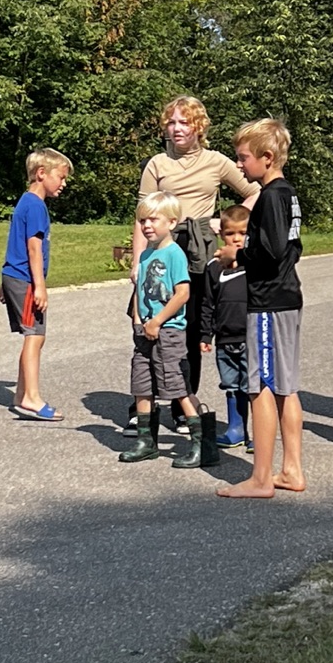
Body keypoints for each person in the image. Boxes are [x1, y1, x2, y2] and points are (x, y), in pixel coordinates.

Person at [130, 95, 260, 431]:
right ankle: (143, 404)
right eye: (171, 122)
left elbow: (256, 190)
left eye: (183, 122)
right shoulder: (157, 164)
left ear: (198, 126)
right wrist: (137, 262)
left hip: (199, 251)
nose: (176, 129)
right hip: (161, 251)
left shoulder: (216, 161)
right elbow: (142, 216)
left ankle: (182, 401)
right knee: (148, 324)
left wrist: (225, 221)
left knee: (189, 330)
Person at [214, 119, 305, 499]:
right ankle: (291, 470)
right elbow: (293, 248)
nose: (239, 165)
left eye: (243, 158)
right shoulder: (288, 195)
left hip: (268, 302)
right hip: (288, 297)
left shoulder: (270, 197)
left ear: (267, 158)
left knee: (262, 387)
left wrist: (238, 255)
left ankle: (261, 478)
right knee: (286, 387)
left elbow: (273, 251)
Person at [121, 191, 217, 469]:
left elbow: (182, 293)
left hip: (169, 331)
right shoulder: (145, 255)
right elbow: (139, 291)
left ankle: (201, 443)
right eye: (143, 220)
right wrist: (139, 320)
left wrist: (158, 321)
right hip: (145, 332)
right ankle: (145, 441)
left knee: (175, 385)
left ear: (172, 222)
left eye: (153, 219)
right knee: (141, 385)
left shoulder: (174, 254)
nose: (147, 225)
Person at [0, 148, 73, 421]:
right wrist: (39, 287)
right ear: (42, 174)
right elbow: (32, 248)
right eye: (61, 177)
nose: (63, 184)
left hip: (15, 277)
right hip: (26, 280)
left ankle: (20, 395)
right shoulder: (36, 206)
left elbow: (14, 244)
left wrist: (6, 283)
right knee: (35, 336)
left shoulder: (25, 202)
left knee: (32, 335)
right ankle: (31, 397)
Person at [200, 204, 254, 452]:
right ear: (221, 234)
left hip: (250, 336)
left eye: (242, 233)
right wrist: (205, 334)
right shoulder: (214, 268)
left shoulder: (253, 266)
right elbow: (207, 303)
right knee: (231, 385)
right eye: (231, 233)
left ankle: (257, 433)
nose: (236, 238)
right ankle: (236, 429)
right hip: (224, 338)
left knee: (253, 385)